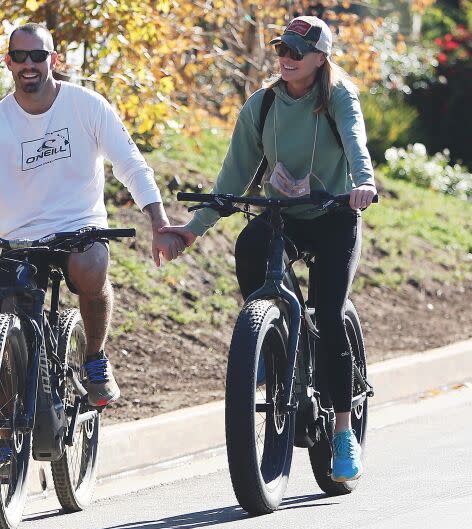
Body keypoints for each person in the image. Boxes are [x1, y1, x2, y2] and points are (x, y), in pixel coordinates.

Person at [0, 22, 185, 408]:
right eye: (20, 56)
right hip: (21, 239)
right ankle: (2, 433)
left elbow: (132, 166)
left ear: (53, 60)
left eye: (38, 55)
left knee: (90, 267)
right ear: (8, 62)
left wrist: (158, 223)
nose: (29, 64)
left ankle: (94, 359)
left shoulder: (86, 106)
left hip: (80, 227)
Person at [161, 16, 376, 482]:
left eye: (298, 52)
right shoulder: (262, 105)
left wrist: (363, 183)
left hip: (335, 215)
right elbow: (233, 176)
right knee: (249, 244)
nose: (287, 57)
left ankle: (342, 432)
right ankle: (279, 337)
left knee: (331, 313)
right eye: (282, 48)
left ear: (321, 58)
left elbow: (356, 142)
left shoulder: (338, 95)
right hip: (285, 217)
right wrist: (192, 230)